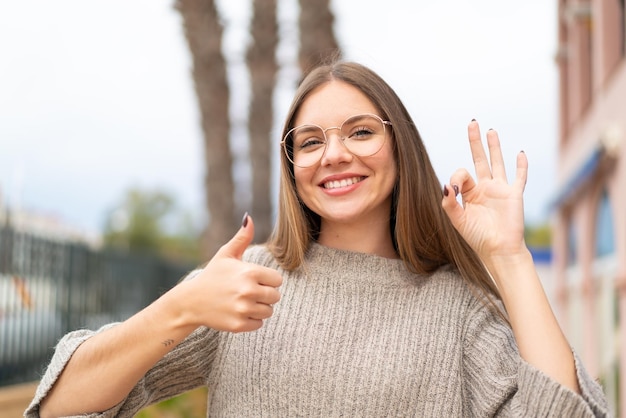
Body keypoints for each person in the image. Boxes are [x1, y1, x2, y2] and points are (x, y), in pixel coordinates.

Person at [27, 61, 608, 417]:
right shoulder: (248, 285)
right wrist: (182, 307)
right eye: (309, 142)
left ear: (400, 147)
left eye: (360, 131)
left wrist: (509, 257)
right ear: (293, 166)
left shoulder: (455, 308)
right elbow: (60, 404)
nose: (334, 154)